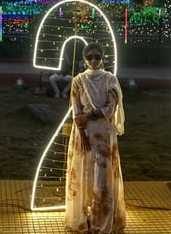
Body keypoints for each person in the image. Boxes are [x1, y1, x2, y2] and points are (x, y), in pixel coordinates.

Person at [65, 43, 126, 233]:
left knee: (103, 180)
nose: (93, 60)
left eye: (97, 56)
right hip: (83, 135)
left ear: (103, 58)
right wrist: (82, 134)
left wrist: (88, 116)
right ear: (84, 59)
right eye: (89, 56)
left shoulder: (110, 80)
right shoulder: (78, 80)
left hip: (104, 137)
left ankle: (103, 222)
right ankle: (84, 218)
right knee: (84, 175)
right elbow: (76, 111)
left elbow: (110, 108)